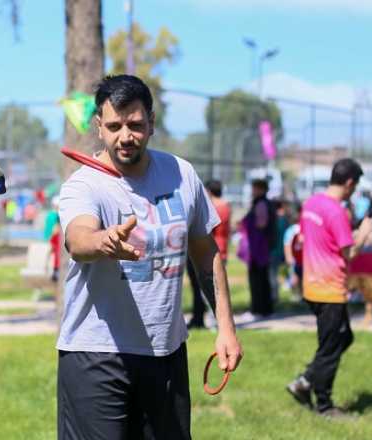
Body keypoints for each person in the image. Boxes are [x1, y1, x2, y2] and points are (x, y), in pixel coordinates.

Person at [56, 74, 242, 439]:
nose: (125, 136)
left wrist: (226, 328)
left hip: (165, 352)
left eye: (136, 125)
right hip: (95, 354)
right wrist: (104, 241)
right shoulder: (84, 184)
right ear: (99, 126)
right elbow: (77, 240)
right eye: (114, 126)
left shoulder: (181, 174)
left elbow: (206, 254)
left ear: (152, 122)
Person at [286, 158, 372, 418]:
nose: (354, 191)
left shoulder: (311, 204)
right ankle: (324, 405)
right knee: (330, 348)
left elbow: (312, 238)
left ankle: (305, 382)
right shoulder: (337, 211)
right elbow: (349, 253)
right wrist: (364, 233)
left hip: (311, 285)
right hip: (330, 289)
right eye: (355, 186)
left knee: (342, 338)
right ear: (349, 183)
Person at [188, 179, 231, 329]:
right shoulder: (226, 206)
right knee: (218, 285)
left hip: (212, 250)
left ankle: (215, 322)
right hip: (223, 247)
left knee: (210, 288)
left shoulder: (215, 207)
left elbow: (205, 228)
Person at [240, 178, 276, 319]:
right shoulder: (265, 203)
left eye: (255, 188)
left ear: (261, 189)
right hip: (262, 247)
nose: (253, 191)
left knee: (257, 279)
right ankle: (266, 309)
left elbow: (261, 223)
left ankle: (258, 310)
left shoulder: (260, 203)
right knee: (263, 278)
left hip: (258, 247)